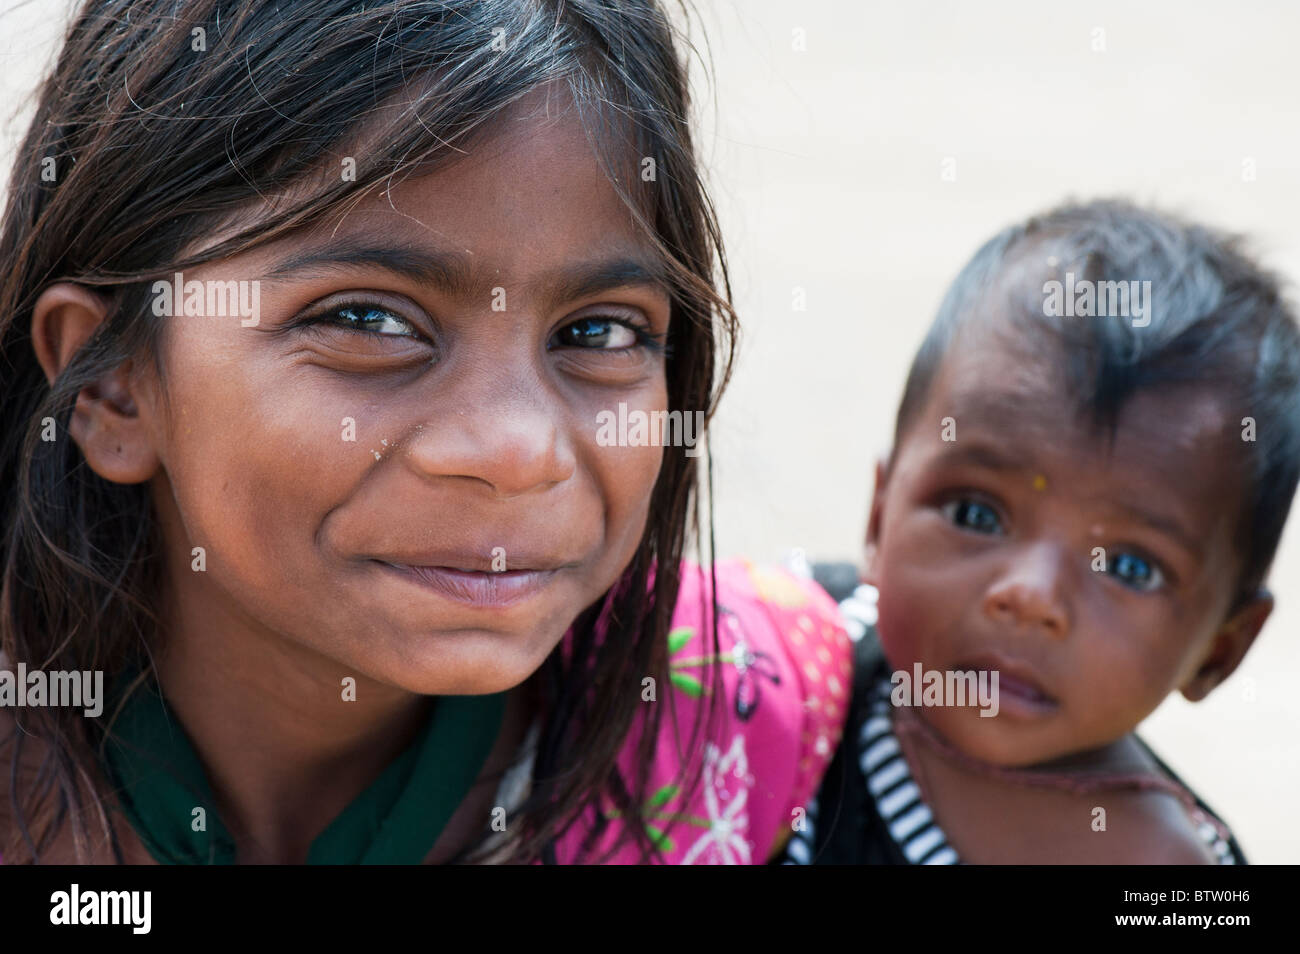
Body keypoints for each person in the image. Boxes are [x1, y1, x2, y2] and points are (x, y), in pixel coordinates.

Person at [0, 0, 849, 865]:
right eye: (369, 319)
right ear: (110, 385)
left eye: (599, 334)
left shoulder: (749, 715)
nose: (521, 453)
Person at [784, 199, 1300, 865]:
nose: (1030, 595)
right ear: (880, 518)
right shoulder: (776, 665)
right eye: (975, 514)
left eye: (1129, 567)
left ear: (1219, 652)